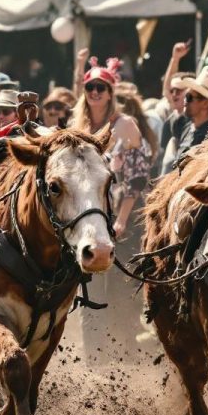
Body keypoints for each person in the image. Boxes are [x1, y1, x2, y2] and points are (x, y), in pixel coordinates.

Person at [69, 56, 148, 364]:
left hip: (121, 223)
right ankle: (94, 364)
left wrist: (122, 220)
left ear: (111, 92)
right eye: (90, 87)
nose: (95, 92)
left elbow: (137, 179)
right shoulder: (79, 127)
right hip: (89, 222)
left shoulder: (125, 125)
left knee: (121, 298)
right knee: (90, 298)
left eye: (101, 87)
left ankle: (126, 363)